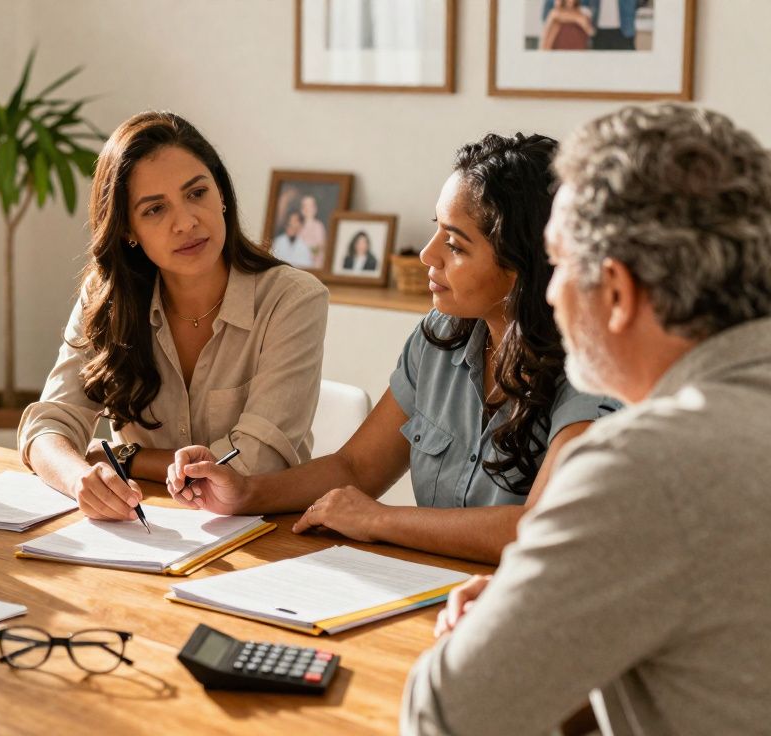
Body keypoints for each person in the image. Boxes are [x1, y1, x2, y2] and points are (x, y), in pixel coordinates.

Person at [403, 104, 771, 735]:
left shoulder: (645, 464)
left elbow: (449, 715)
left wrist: (520, 601)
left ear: (619, 293)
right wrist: (553, 597)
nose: (549, 294)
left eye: (559, 266)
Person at [168, 133, 617, 564]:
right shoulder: (441, 334)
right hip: (427, 591)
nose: (427, 254)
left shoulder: (593, 371)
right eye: (436, 229)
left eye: (455, 245)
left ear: (522, 266)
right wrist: (245, 493)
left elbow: (537, 528)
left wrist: (379, 519)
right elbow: (356, 468)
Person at [18, 111, 329, 522]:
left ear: (221, 194)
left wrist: (128, 456)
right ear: (128, 230)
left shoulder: (291, 300)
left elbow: (255, 464)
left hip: (262, 536)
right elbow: (47, 426)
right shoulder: (108, 297)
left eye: (196, 193)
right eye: (154, 210)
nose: (186, 222)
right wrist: (80, 479)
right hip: (145, 530)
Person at [296, 193, 328, 263]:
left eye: (311, 206)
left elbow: (320, 246)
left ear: (315, 208)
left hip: (313, 261)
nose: (308, 209)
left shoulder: (318, 226)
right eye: (305, 206)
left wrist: (312, 255)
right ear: (301, 209)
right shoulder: (298, 226)